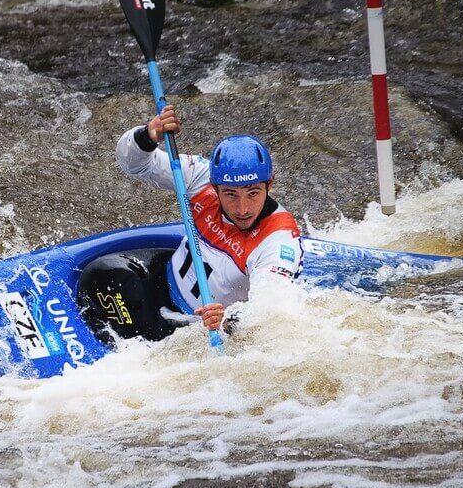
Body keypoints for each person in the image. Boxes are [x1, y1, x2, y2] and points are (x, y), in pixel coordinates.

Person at [77, 104, 303, 344]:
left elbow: (271, 310)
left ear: (270, 182)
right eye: (230, 195)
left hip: (193, 323)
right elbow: (135, 164)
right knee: (101, 273)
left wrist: (229, 320)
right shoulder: (201, 177)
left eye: (253, 193)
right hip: (162, 280)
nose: (242, 209)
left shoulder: (278, 241)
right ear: (215, 187)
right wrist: (148, 134)